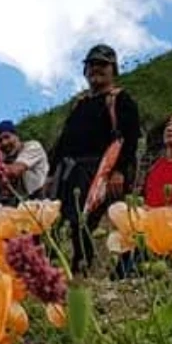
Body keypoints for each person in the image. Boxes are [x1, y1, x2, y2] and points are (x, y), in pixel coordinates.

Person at [45, 44, 142, 272]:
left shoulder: (121, 99)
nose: (96, 69)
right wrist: (51, 174)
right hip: (70, 172)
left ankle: (89, 270)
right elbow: (63, 142)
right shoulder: (79, 104)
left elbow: (130, 137)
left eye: (102, 65)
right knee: (64, 223)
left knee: (88, 222)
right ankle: (67, 270)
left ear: (113, 70)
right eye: (92, 65)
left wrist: (119, 170)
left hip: (101, 170)